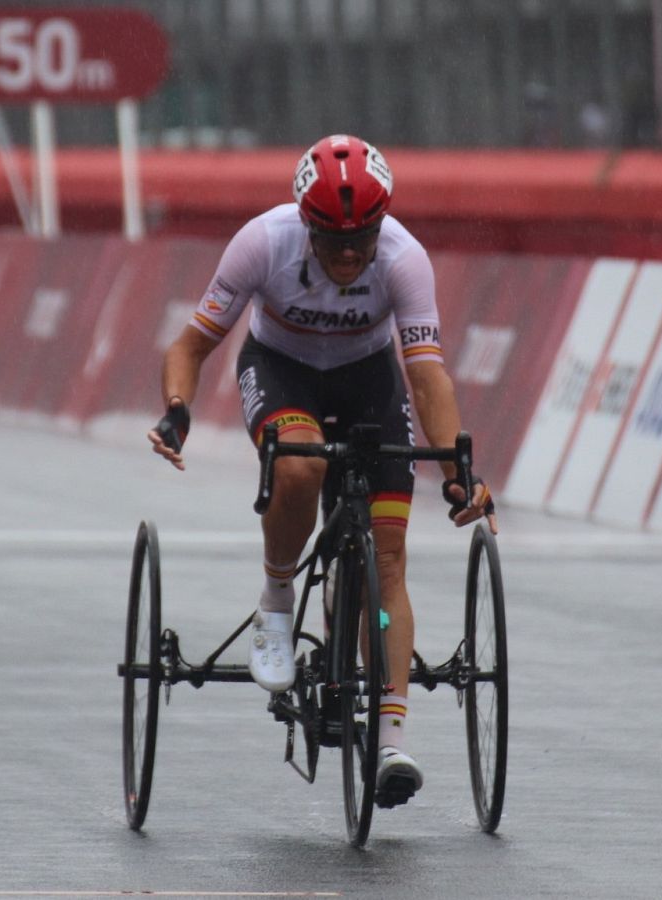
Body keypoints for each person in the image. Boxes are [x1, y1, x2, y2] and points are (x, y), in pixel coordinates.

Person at [146, 134, 498, 810]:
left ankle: (391, 740)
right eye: (331, 239)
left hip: (369, 383)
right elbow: (191, 344)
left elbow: (427, 376)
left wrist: (458, 464)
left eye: (360, 238)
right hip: (282, 374)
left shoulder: (405, 259)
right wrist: (177, 412)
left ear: (380, 226)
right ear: (303, 222)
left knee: (388, 561)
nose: (346, 253)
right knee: (302, 467)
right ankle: (277, 601)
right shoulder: (262, 243)